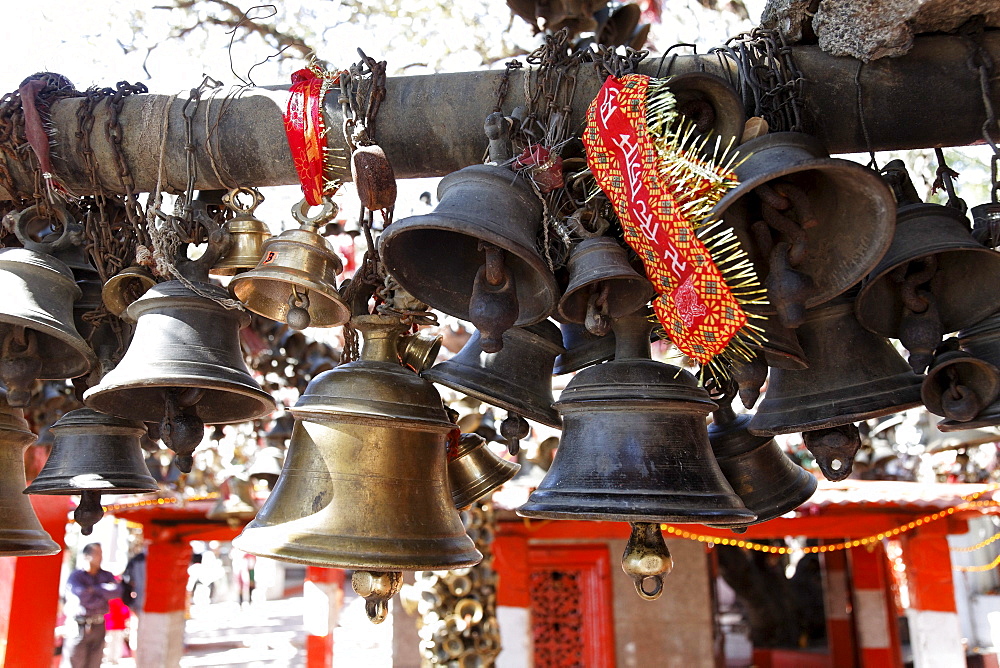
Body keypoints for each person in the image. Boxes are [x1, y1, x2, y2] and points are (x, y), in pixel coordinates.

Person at [62, 543, 121, 668]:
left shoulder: (105, 575)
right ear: (87, 556)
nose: (100, 557)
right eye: (97, 553)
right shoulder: (76, 577)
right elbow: (82, 598)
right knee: (75, 663)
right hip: (79, 626)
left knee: (94, 664)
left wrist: (93, 589)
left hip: (99, 625)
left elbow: (117, 591)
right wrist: (102, 594)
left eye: (101, 554)